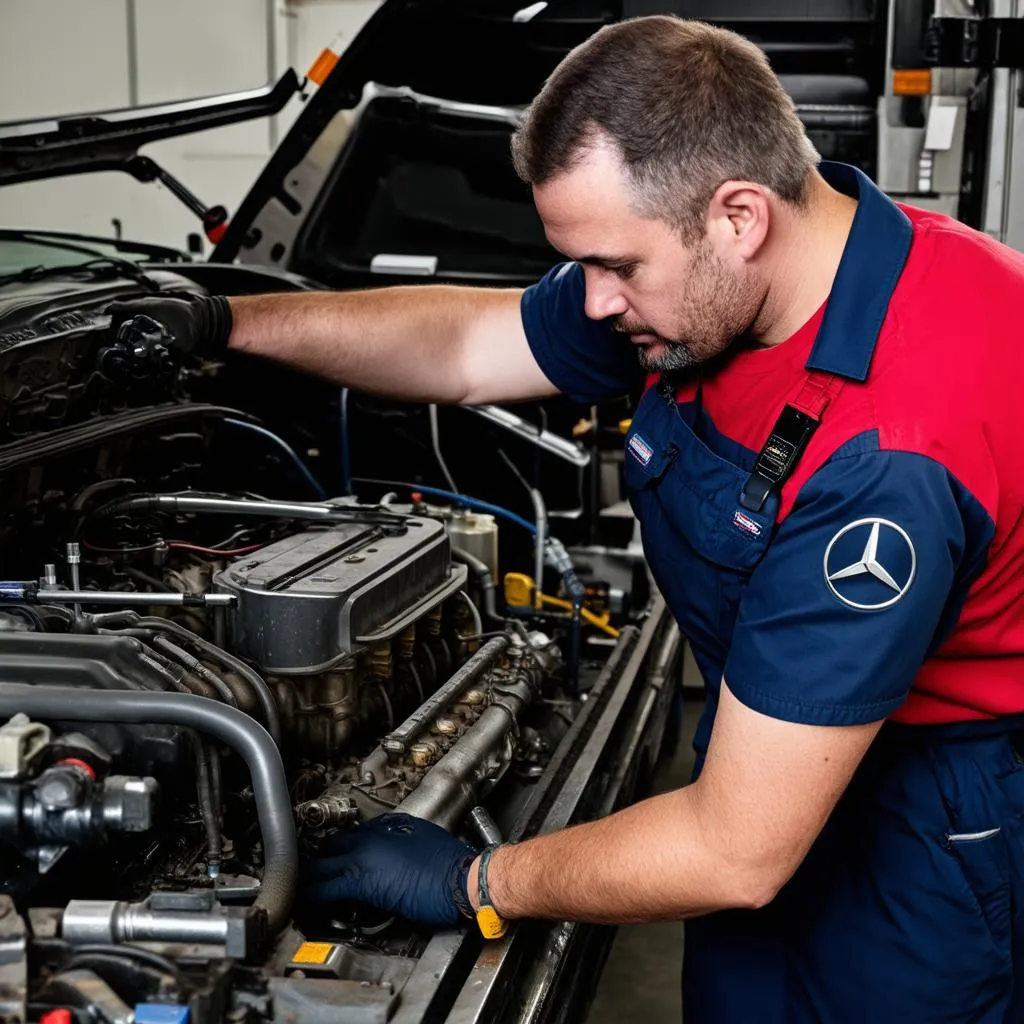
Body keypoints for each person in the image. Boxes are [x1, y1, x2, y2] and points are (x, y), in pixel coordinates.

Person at [108, 15, 1024, 1022]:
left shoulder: (894, 443)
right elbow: (466, 343)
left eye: (613, 265)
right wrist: (224, 320)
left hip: (923, 841)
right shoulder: (762, 263)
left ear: (738, 216)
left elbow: (733, 848)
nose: (589, 303)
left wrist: (478, 880)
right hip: (779, 743)